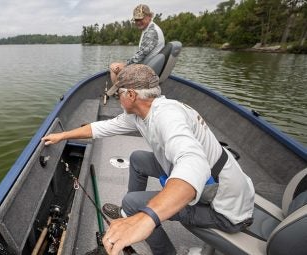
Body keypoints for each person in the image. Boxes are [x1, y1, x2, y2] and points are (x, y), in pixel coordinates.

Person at [42, 64, 255, 255]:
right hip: (221, 184)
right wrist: (62, 135)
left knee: (132, 204)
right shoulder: (143, 112)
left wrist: (146, 218)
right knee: (137, 159)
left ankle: (163, 249)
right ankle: (130, 211)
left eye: (119, 94)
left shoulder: (167, 117)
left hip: (226, 209)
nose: (117, 98)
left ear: (132, 95)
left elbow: (194, 163)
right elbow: (101, 128)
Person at [109, 4, 165, 86]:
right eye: (136, 20)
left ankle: (119, 94)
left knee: (113, 67)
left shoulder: (151, 32)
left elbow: (141, 55)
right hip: (148, 68)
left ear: (149, 16)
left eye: (140, 19)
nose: (138, 22)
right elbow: (142, 54)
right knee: (119, 65)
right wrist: (126, 63)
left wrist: (124, 64)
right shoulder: (149, 28)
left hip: (146, 72)